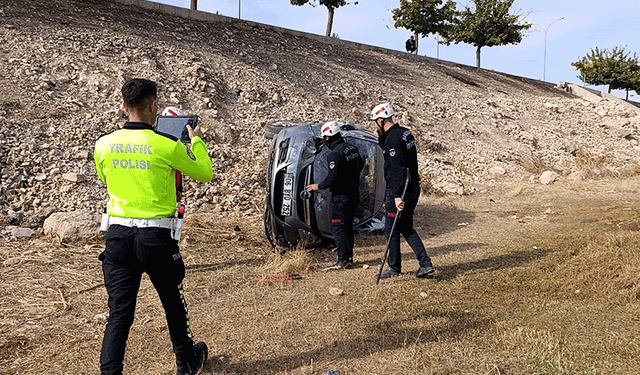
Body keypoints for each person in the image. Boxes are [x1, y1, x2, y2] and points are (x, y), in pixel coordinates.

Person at [94, 78, 213, 375]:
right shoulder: (167, 145)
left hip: (118, 236)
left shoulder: (103, 144)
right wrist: (196, 140)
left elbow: (105, 178)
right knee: (173, 303)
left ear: (124, 106)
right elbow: (205, 173)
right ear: (153, 106)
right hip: (155, 237)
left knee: (119, 313)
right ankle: (187, 363)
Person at [370, 103, 435, 280]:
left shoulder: (392, 139)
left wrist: (397, 196)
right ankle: (425, 264)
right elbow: (399, 155)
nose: (375, 126)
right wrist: (381, 139)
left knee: (390, 228)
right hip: (413, 187)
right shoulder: (404, 133)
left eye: (375, 123)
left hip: (400, 190)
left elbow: (396, 168)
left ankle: (394, 268)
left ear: (381, 120)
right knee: (406, 227)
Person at [306, 121, 364, 271]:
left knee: (338, 228)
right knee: (348, 227)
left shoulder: (334, 154)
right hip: (353, 195)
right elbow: (361, 165)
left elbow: (332, 177)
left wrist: (318, 186)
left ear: (328, 138)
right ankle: (348, 257)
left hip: (341, 197)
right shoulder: (352, 148)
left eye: (324, 138)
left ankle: (343, 261)